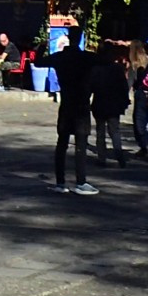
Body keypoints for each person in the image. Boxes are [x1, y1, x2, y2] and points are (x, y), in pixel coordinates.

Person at [47, 34, 99, 194]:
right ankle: (80, 181)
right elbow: (106, 61)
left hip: (67, 102)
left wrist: (45, 45)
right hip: (81, 104)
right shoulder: (87, 58)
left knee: (62, 143)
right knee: (81, 144)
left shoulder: (60, 57)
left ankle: (60, 182)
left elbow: (39, 61)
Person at [89, 43, 129, 167]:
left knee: (100, 131)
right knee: (115, 131)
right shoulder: (117, 69)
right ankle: (119, 155)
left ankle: (102, 158)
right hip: (114, 103)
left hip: (100, 102)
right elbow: (124, 87)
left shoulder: (96, 69)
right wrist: (125, 101)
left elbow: (91, 86)